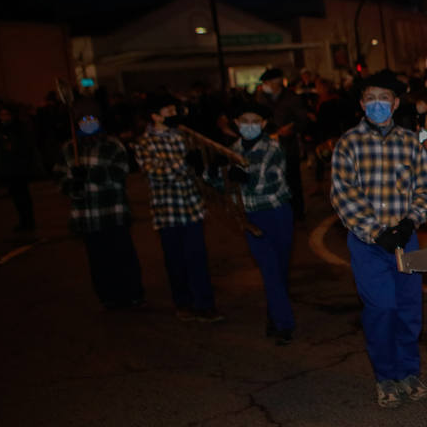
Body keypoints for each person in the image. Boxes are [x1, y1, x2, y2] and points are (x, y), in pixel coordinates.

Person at [330, 70, 427, 408]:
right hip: (368, 245)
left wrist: (410, 222)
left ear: (395, 103)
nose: (378, 104)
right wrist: (376, 233)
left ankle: (409, 372)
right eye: (371, 98)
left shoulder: (410, 142)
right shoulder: (348, 144)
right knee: (382, 309)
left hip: (406, 241)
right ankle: (385, 377)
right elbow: (343, 195)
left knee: (408, 310)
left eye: (384, 99)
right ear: (362, 104)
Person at [133, 93, 222, 323]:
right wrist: (184, 163)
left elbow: (198, 167)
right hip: (167, 211)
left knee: (198, 258)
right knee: (175, 261)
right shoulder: (144, 143)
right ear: (155, 116)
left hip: (192, 206)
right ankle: (183, 303)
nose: (174, 115)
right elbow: (157, 173)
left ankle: (205, 304)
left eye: (175, 111)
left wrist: (204, 166)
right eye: (169, 112)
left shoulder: (185, 136)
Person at [57, 98, 144, 309]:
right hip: (87, 216)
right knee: (98, 260)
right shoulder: (69, 149)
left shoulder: (112, 145)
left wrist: (90, 173)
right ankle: (107, 296)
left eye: (92, 119)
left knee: (122, 256)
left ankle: (132, 294)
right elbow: (61, 180)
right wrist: (73, 184)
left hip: (112, 212)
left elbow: (119, 174)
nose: (88, 123)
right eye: (84, 119)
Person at [229, 101, 296, 345]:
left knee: (278, 270)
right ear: (236, 123)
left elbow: (269, 182)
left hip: (277, 213)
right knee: (269, 269)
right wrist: (211, 172)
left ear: (263, 124)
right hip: (251, 217)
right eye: (244, 121)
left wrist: (242, 177)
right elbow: (224, 187)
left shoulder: (273, 148)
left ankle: (275, 313)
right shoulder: (232, 150)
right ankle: (284, 323)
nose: (249, 126)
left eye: (254, 121)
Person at [256, 68, 310, 224]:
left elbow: (302, 119)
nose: (265, 86)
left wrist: (291, 129)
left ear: (276, 82)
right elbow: (259, 119)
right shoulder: (261, 98)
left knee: (292, 179)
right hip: (268, 146)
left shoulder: (291, 97)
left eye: (267, 83)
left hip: (288, 146)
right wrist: (272, 130)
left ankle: (297, 214)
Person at [0, 104, 37, 231]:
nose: (4, 117)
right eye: (2, 115)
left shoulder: (19, 128)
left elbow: (25, 147)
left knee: (23, 195)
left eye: (6, 114)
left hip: (19, 167)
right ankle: (23, 220)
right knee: (16, 196)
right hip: (8, 167)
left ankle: (28, 221)